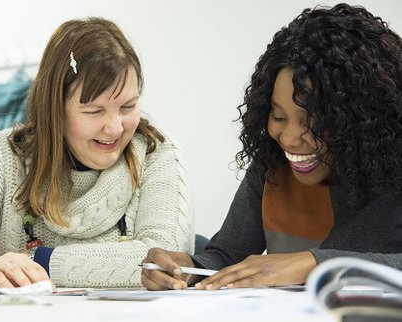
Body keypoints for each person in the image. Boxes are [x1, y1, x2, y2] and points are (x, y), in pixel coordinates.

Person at [141, 3, 402, 291]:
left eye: (311, 121)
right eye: (278, 116)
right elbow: (225, 256)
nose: (290, 138)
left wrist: (315, 263)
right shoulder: (274, 165)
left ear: (362, 115)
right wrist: (187, 269)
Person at [0, 17, 194, 288]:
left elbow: (161, 263)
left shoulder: (156, 152)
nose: (114, 128)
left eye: (128, 107)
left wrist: (38, 261)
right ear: (54, 110)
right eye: (93, 111)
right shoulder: (6, 155)